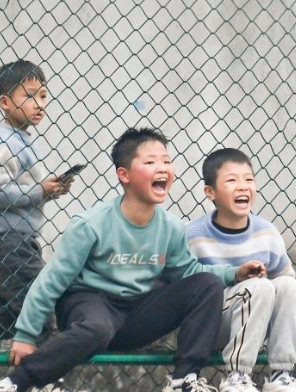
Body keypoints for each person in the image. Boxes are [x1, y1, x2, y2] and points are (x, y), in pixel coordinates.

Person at [0, 128, 266, 392]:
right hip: (90, 305)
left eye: (166, 161)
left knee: (206, 283)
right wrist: (26, 335)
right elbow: (51, 281)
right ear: (124, 175)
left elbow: (188, 272)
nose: (162, 168)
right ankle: (15, 383)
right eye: (150, 162)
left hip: (135, 312)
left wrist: (234, 274)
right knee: (97, 328)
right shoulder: (90, 225)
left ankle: (183, 381)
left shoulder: (171, 227)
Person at [187, 148, 296, 392]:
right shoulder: (193, 235)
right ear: (210, 192)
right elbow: (185, 288)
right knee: (258, 286)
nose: (243, 186)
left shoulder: (266, 231)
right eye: (231, 180)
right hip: (213, 324)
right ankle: (237, 377)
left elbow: (285, 283)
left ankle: (282, 375)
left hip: (257, 322)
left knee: (289, 286)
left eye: (248, 179)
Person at [0, 60, 73, 341]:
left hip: (18, 241)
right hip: (11, 243)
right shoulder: (6, 142)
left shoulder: (22, 139)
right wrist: (39, 192)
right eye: (29, 96)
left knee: (11, 320)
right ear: (5, 102)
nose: (39, 103)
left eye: (43, 96)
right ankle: (47, 381)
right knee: (38, 313)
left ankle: (18, 382)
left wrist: (48, 190)